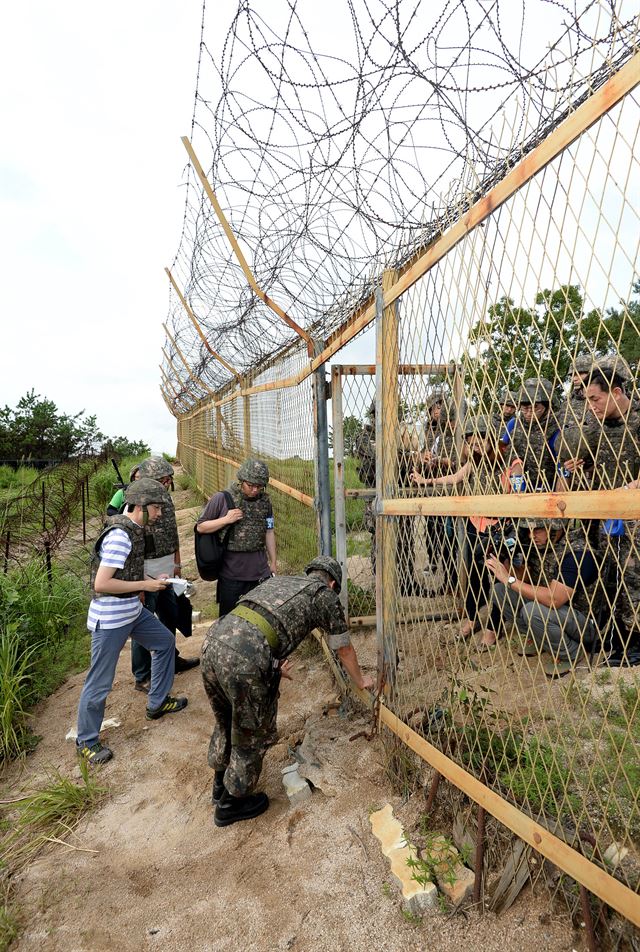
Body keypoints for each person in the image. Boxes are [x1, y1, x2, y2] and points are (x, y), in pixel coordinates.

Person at [201, 556, 375, 826]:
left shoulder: (281, 581)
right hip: (245, 658)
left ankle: (219, 784)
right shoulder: (323, 595)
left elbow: (259, 622)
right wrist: (361, 681)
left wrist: (268, 665)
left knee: (226, 716)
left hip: (214, 643)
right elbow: (343, 648)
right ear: (331, 583)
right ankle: (232, 802)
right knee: (250, 731)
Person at [75, 478, 188, 765]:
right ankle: (87, 741)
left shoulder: (136, 530)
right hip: (111, 619)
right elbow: (102, 583)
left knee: (164, 642)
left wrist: (153, 581)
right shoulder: (120, 536)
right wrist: (144, 587)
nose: (161, 514)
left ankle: (157, 702)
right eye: (157, 508)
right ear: (140, 507)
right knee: (100, 681)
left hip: (131, 612)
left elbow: (125, 574)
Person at [411, 415, 515, 646]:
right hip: (475, 526)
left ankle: (492, 628)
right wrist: (426, 481)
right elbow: (455, 477)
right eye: (470, 440)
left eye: (480, 438)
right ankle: (471, 619)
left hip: (500, 528)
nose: (475, 444)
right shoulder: (473, 462)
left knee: (498, 578)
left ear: (492, 438)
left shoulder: (507, 463)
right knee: (474, 576)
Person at [485, 518, 600, 677]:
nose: (532, 536)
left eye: (538, 529)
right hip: (558, 614)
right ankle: (540, 638)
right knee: (500, 590)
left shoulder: (578, 553)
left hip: (585, 622)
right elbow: (525, 580)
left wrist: (509, 579)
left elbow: (554, 599)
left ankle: (571, 652)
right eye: (529, 530)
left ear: (557, 527)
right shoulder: (541, 546)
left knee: (532, 610)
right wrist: (505, 561)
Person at [130, 457, 199, 693]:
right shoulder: (136, 505)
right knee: (143, 623)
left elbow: (173, 534)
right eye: (162, 479)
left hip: (167, 573)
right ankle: (143, 675)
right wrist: (139, 584)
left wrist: (177, 566)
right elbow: (134, 547)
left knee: (171, 617)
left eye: (168, 479)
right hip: (147, 576)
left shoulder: (165, 501)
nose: (167, 483)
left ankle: (170, 660)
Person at [196, 459, 277, 618]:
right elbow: (201, 526)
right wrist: (226, 520)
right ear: (241, 481)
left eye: (259, 487)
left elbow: (269, 531)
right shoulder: (223, 498)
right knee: (229, 621)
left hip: (260, 572)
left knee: (261, 621)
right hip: (232, 575)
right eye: (250, 485)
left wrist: (273, 562)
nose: (255, 490)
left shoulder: (265, 501)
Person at [508, 378, 560, 492]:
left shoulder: (556, 427)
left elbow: (563, 465)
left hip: (551, 489)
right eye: (525, 407)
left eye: (535, 407)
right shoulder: (514, 424)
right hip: (521, 487)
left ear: (547, 406)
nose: (529, 412)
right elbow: (506, 454)